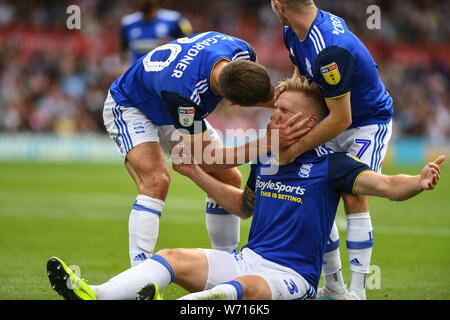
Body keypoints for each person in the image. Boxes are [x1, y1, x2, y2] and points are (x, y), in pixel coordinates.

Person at [46, 78, 444, 300]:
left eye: (285, 113)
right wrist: (197, 175)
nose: (274, 118)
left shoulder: (333, 165)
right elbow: (244, 206)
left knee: (243, 290)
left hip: (291, 280)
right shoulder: (265, 159)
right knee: (170, 257)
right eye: (275, 111)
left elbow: (389, 186)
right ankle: (95, 295)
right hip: (245, 259)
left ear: (308, 124)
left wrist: (418, 182)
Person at [104, 31, 277, 268]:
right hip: (132, 104)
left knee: (228, 178)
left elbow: (264, 95)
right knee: (157, 181)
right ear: (232, 103)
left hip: (165, 96)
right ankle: (139, 274)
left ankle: (228, 264)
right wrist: (269, 142)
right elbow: (209, 160)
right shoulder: (186, 96)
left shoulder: (242, 50)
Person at [269, 0, 394, 299]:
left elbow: (344, 118)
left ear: (279, 4)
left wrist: (295, 146)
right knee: (312, 193)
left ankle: (358, 291)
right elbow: (303, 76)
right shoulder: (293, 32)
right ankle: (335, 288)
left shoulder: (330, 48)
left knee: (353, 191)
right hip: (330, 117)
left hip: (365, 123)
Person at [120, 0, 193, 66]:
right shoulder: (128, 22)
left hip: (165, 71)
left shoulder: (174, 19)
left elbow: (188, 44)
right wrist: (124, 66)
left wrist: (171, 43)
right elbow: (123, 50)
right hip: (138, 73)